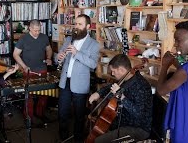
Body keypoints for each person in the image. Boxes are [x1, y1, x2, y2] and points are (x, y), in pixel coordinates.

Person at [88, 54, 153, 142]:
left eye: (113, 71)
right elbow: (111, 86)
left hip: (138, 128)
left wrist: (122, 97)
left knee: (99, 141)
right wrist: (98, 93)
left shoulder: (142, 86)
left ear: (122, 70)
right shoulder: (125, 79)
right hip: (121, 122)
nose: (112, 73)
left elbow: (139, 114)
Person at [57, 14, 99, 142]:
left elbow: (93, 64)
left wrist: (77, 53)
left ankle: (78, 139)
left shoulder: (94, 44)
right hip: (65, 82)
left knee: (79, 116)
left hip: (80, 84)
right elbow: (58, 57)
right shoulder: (69, 39)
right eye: (75, 24)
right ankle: (63, 138)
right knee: (62, 113)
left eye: (80, 24)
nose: (76, 27)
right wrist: (58, 58)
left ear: (88, 26)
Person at [13, 19, 53, 118]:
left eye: (39, 30)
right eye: (35, 30)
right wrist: (24, 66)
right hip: (29, 70)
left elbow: (49, 49)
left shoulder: (44, 37)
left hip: (42, 68)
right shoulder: (23, 39)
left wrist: (48, 58)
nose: (37, 33)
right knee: (29, 95)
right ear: (29, 28)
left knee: (44, 94)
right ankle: (28, 116)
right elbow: (15, 54)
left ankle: (40, 113)